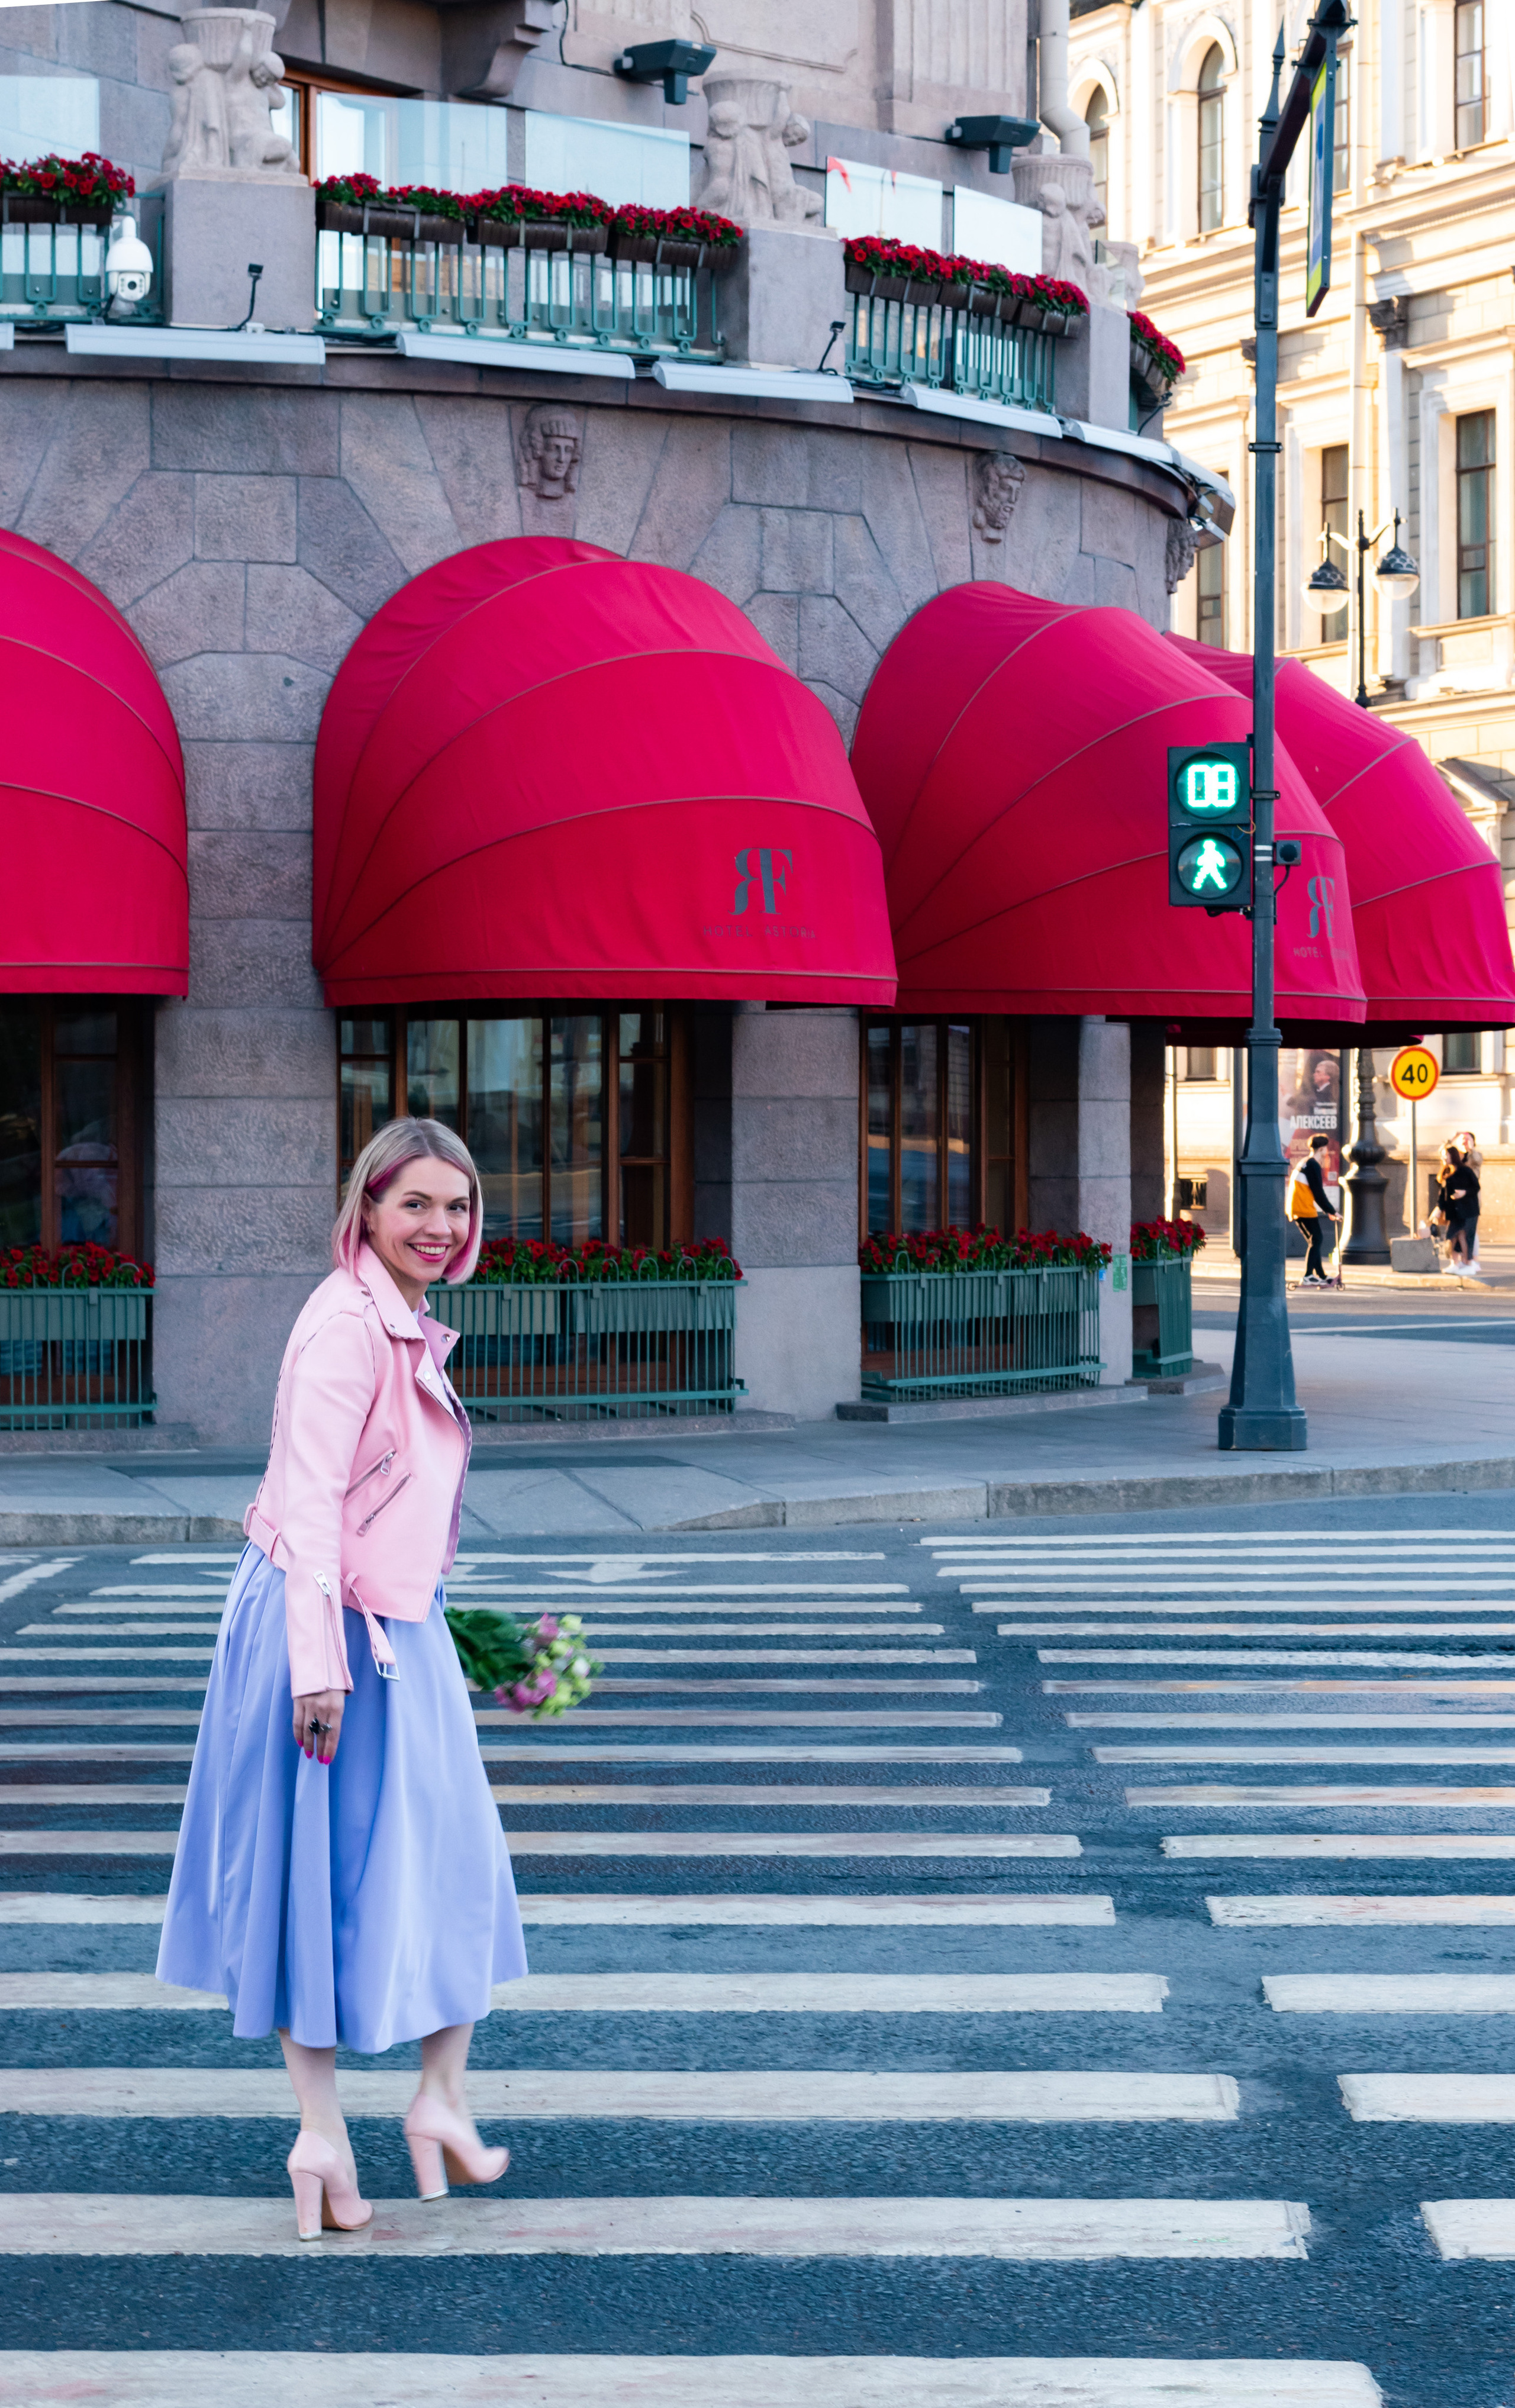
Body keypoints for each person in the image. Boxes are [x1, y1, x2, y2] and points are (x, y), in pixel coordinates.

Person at [157, 1117, 527, 2237]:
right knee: (307, 1875)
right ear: (365, 1207)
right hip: (318, 1633)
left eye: (456, 1206)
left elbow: (385, 1509)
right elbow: (312, 1503)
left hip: (383, 1624)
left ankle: (437, 2101)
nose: (439, 1226)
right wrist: (316, 1671)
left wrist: (450, 1630)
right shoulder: (344, 1326)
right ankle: (325, 2126)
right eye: (414, 1202)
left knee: (451, 1855)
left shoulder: (401, 1318)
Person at [1288, 1133, 1340, 1287]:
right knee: (1317, 1240)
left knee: (1315, 1241)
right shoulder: (1313, 1165)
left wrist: (1328, 1211)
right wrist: (1332, 1211)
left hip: (1296, 1207)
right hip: (1303, 1207)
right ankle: (1309, 1275)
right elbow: (1318, 1192)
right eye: (1326, 1149)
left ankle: (1321, 1275)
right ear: (1323, 1149)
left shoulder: (1305, 1162)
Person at [1439, 1142, 1481, 1275]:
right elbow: (1443, 1194)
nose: (1445, 1158)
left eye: (1447, 1155)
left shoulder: (1465, 1171)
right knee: (1452, 1236)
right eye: (1444, 1156)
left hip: (1468, 1210)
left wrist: (1464, 1193)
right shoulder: (1446, 1172)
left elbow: (1476, 1188)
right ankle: (1455, 1263)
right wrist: (1440, 1209)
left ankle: (1468, 1263)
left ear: (1453, 1156)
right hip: (1454, 1212)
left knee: (1465, 1236)